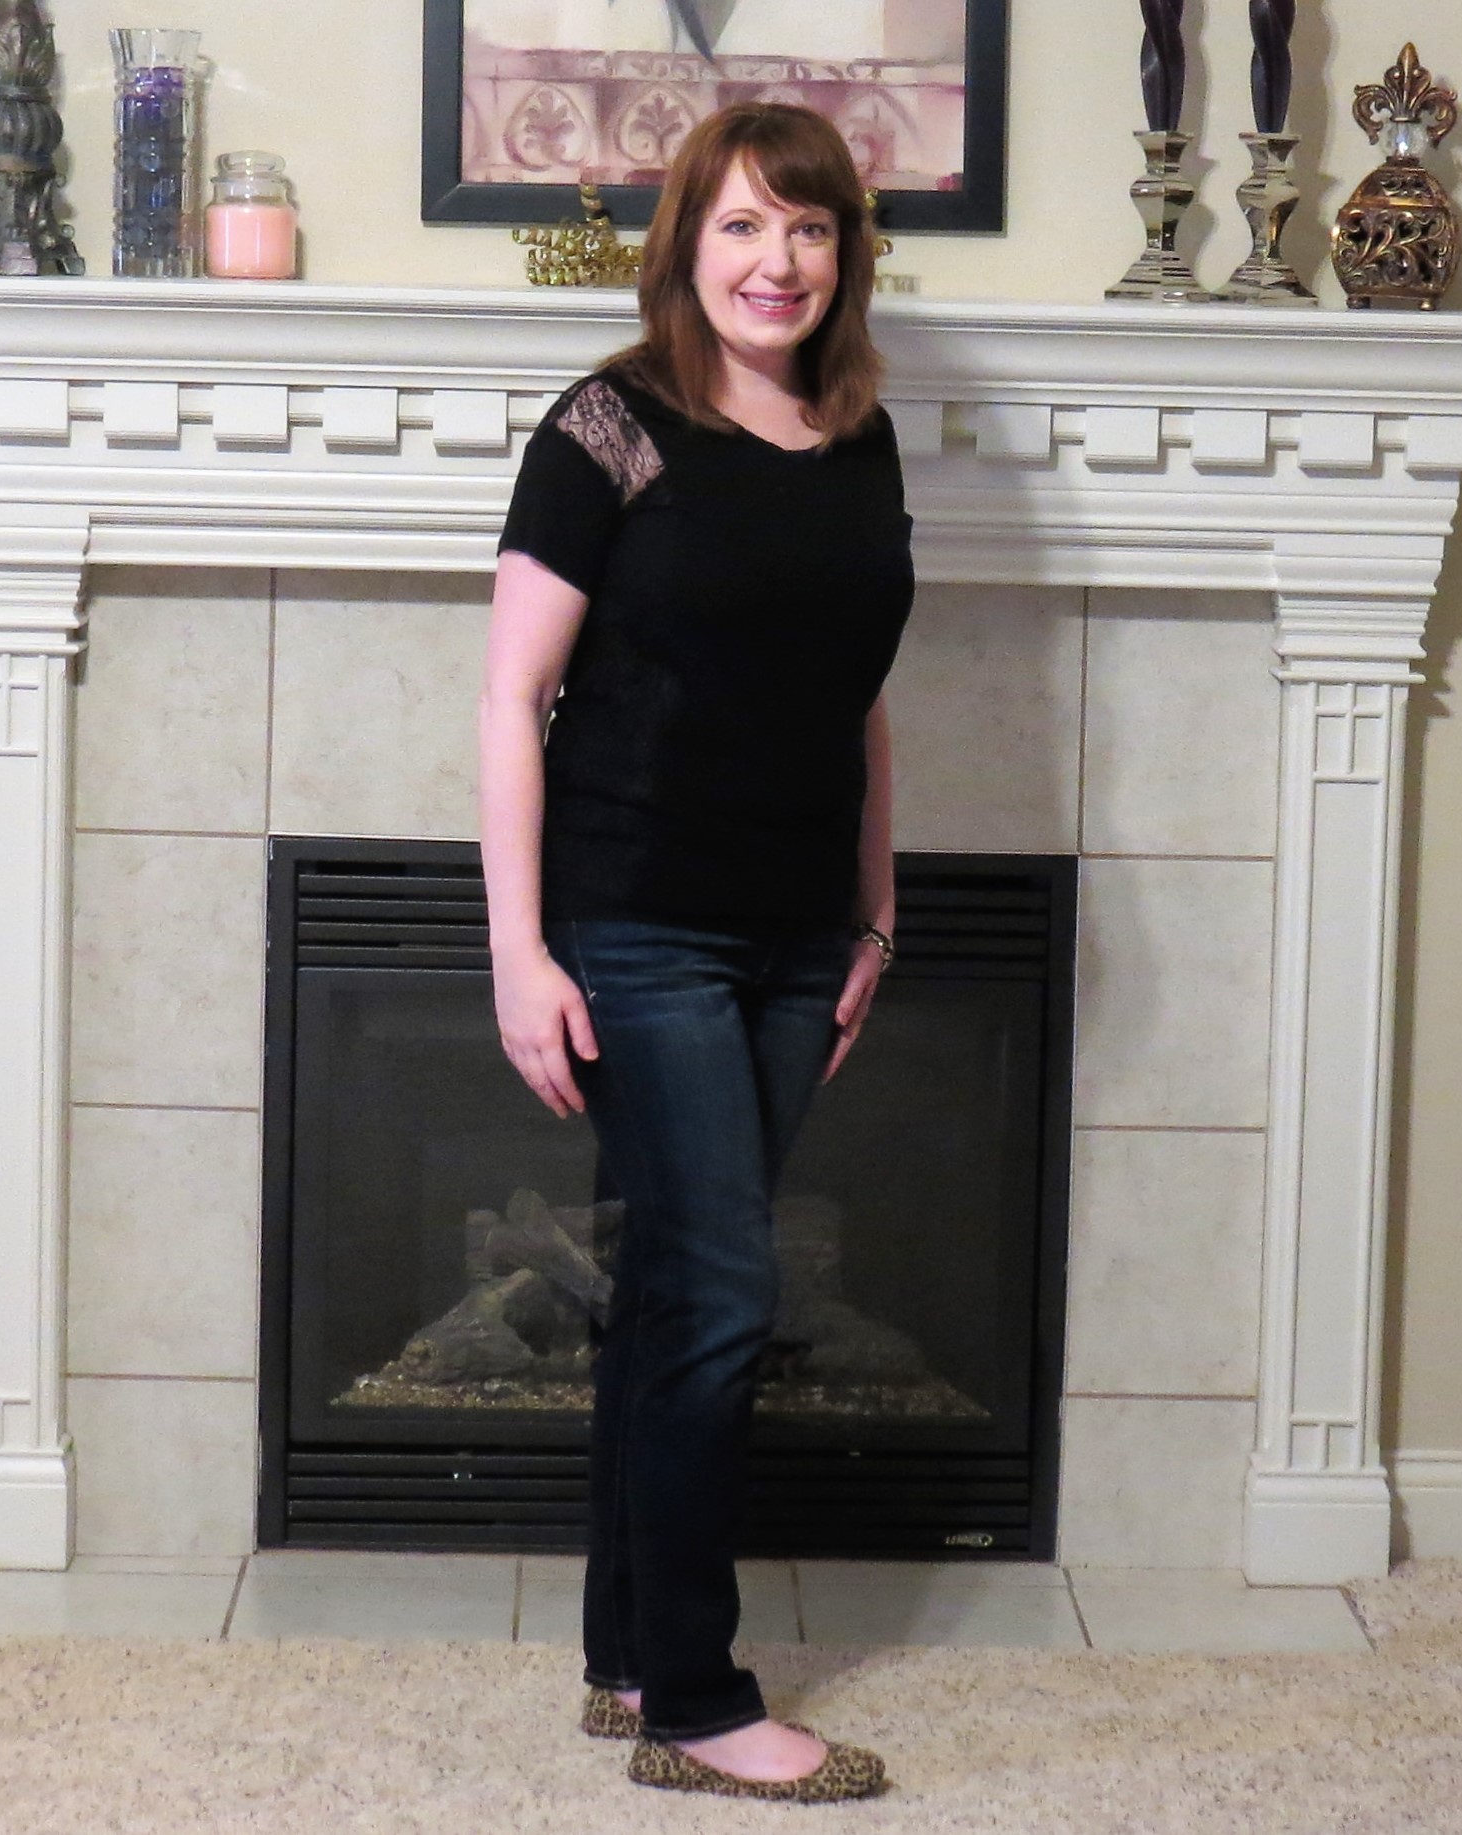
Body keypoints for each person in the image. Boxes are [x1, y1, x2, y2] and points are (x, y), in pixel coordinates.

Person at [478, 99, 914, 1803]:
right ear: (686, 244)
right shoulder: (611, 427)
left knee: (670, 1285)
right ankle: (700, 1697)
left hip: (802, 932)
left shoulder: (861, 437)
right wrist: (522, 950)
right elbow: (514, 695)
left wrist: (874, 908)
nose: (775, 260)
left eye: (807, 229)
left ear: (842, 255)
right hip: (636, 917)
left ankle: (620, 1652)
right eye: (741, 225)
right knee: (726, 1292)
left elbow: (862, 701)